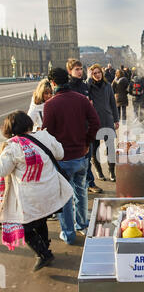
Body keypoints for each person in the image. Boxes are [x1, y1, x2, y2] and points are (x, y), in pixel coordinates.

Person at [0, 111, 73, 271]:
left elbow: (2, 170)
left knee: (23, 228)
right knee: (41, 220)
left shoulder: (12, 148)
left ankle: (43, 254)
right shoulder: (44, 136)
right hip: (50, 192)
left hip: (30, 198)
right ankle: (45, 247)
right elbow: (60, 154)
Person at [43, 68, 100, 244]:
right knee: (81, 191)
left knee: (64, 197)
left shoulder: (50, 104)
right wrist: (86, 143)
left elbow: (47, 134)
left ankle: (68, 233)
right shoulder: (82, 99)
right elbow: (96, 123)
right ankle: (82, 224)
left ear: (53, 83)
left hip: (62, 160)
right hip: (81, 156)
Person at [66, 58, 101, 194]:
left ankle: (89, 183)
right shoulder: (69, 87)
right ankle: (80, 186)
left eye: (81, 69)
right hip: (75, 129)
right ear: (70, 71)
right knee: (78, 160)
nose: (79, 72)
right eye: (77, 69)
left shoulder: (84, 86)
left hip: (86, 127)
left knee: (87, 158)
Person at [87, 64, 119, 182]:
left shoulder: (108, 86)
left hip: (107, 119)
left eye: (98, 72)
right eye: (94, 73)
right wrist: (89, 79)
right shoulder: (89, 86)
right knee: (95, 148)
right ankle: (99, 171)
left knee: (110, 147)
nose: (97, 75)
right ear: (91, 74)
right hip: (94, 121)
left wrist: (116, 119)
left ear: (102, 73)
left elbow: (113, 103)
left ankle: (111, 171)